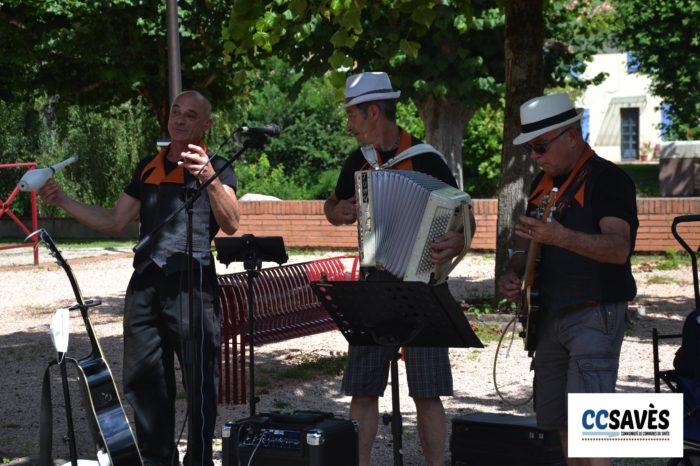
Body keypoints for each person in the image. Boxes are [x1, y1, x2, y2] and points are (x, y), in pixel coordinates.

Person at [38, 90, 240, 465]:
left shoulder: (218, 166)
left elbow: (231, 223)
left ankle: (198, 461)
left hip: (193, 286)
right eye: (175, 112)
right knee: (144, 383)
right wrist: (63, 201)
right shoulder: (149, 167)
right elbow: (115, 221)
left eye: (190, 115)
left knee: (199, 383)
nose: (179, 120)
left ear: (206, 125)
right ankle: (158, 460)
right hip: (145, 284)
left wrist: (209, 178)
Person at [324, 71, 475, 466]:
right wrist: (337, 212)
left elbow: (462, 216)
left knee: (427, 389)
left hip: (422, 283)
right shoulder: (358, 161)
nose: (348, 123)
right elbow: (333, 206)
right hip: (375, 281)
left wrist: (457, 240)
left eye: (352, 114)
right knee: (363, 387)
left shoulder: (425, 158)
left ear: (374, 112)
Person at [497, 92, 638, 466]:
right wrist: (512, 274)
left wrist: (561, 237)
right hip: (549, 317)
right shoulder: (540, 185)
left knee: (592, 430)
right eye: (530, 149)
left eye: (541, 147)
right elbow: (522, 247)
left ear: (571, 136)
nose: (535, 157)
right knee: (562, 424)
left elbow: (618, 248)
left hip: (594, 311)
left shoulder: (608, 179)